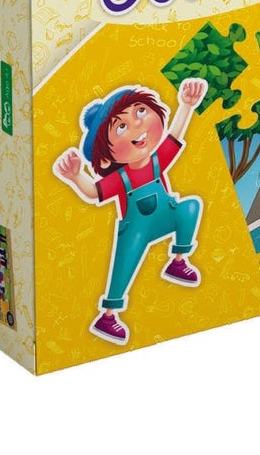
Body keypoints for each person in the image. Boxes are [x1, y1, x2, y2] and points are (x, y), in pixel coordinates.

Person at [53, 78, 207, 345]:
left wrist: (186, 105)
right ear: (105, 158)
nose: (137, 124)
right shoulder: (119, 179)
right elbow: (93, 193)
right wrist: (75, 176)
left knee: (191, 207)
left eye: (140, 111)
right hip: (135, 231)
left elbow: (175, 135)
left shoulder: (158, 161)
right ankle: (108, 317)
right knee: (121, 270)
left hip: (167, 215)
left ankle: (178, 261)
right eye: (121, 127)